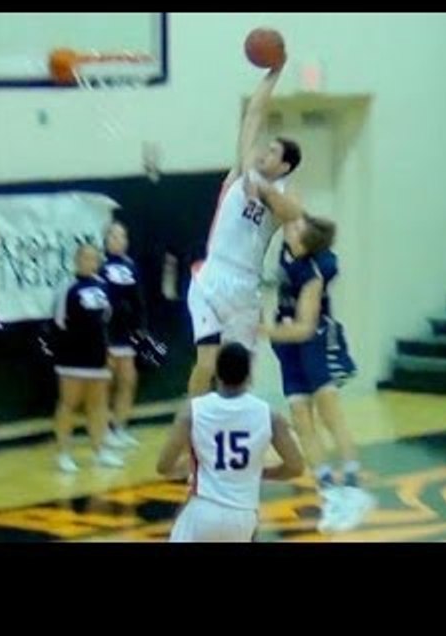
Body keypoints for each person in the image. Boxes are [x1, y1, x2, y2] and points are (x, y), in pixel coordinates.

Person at [186, 58, 305, 396]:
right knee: (207, 364)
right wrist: (273, 74)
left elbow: (292, 212)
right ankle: (193, 420)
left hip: (244, 286)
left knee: (241, 372)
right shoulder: (243, 170)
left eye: (273, 152)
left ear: (285, 166)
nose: (264, 153)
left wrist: (263, 191)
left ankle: (238, 418)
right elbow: (254, 113)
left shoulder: (283, 193)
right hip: (212, 276)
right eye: (266, 148)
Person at [260, 214, 376, 532]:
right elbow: (287, 208)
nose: (292, 227)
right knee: (301, 420)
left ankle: (353, 489)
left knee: (330, 416)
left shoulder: (313, 273)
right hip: (288, 347)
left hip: (314, 342)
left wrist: (261, 330)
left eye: (298, 228)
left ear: (307, 241)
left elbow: (304, 329)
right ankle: (330, 494)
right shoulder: (287, 250)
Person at [157, 343, 305, 542]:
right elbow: (296, 467)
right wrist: (260, 473)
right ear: (249, 376)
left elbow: (163, 466)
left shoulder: (193, 410)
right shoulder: (269, 415)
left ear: (216, 373)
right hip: (243, 517)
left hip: (204, 509)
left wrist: (190, 468)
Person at [52, 243, 125, 473]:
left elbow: (106, 320)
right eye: (85, 258)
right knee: (69, 404)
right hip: (72, 359)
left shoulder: (103, 287)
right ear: (77, 260)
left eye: (94, 258)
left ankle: (100, 450)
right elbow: (59, 323)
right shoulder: (68, 288)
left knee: (98, 405)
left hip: (98, 358)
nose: (89, 262)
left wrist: (107, 351)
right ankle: (63, 454)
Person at [100, 221, 147, 449]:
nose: (119, 240)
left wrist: (140, 327)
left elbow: (138, 300)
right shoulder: (100, 266)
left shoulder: (131, 266)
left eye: (123, 236)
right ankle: (103, 430)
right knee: (105, 384)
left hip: (126, 334)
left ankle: (120, 427)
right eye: (114, 236)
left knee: (127, 381)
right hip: (106, 334)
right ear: (106, 240)